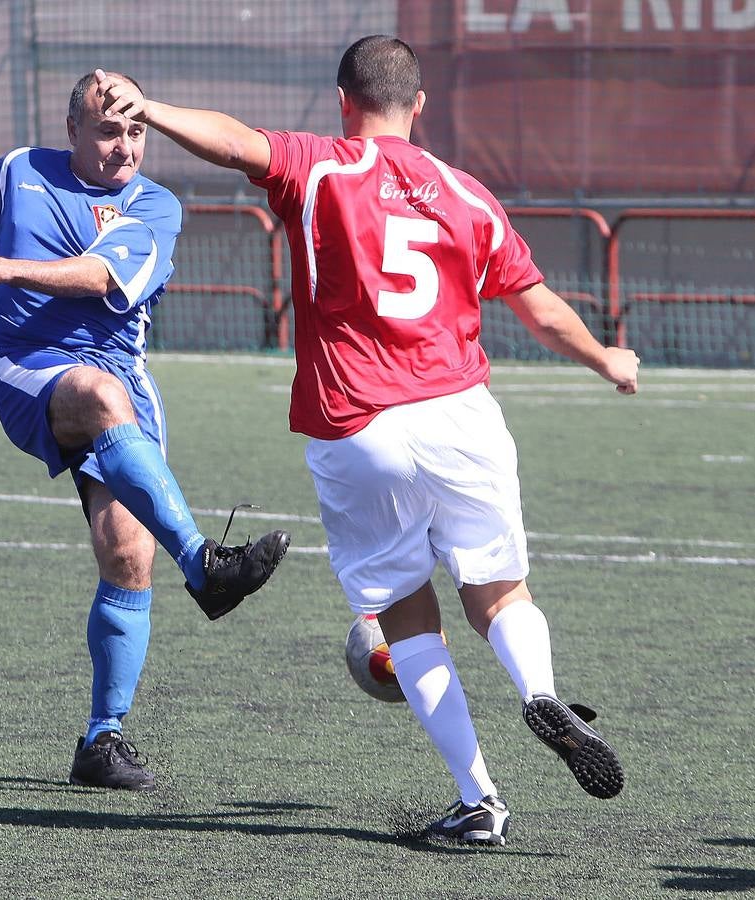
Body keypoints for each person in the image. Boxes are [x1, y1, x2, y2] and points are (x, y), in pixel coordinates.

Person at [97, 34, 640, 843]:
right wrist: (605, 357)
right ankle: (538, 691)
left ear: (342, 101)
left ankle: (479, 800)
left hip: (359, 425)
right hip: (463, 418)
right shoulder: (466, 193)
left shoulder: (319, 166)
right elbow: (537, 306)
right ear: (418, 104)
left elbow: (234, 141)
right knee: (501, 594)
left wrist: (152, 109)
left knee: (404, 616)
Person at [0, 70, 290, 793]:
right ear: (71, 131)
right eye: (108, 130)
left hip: (123, 379)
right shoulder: (17, 172)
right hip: (27, 366)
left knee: (128, 552)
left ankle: (101, 741)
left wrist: (0, 268)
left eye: (136, 131)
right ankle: (204, 565)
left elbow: (98, 277)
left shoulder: (154, 206)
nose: (125, 146)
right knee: (95, 394)